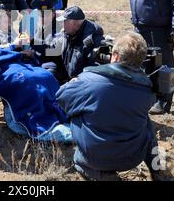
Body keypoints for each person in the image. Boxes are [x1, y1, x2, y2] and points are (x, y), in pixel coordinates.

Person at [56, 32, 161, 181]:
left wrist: (75, 82)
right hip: (133, 157)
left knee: (79, 113)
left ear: (116, 56)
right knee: (147, 123)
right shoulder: (148, 89)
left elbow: (62, 97)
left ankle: (104, 176)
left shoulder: (89, 80)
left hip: (95, 159)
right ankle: (158, 168)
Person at [53, 6, 104, 82]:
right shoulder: (67, 34)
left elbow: (96, 67)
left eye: (64, 22)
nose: (62, 25)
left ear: (73, 23)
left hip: (82, 84)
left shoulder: (93, 40)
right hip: (67, 80)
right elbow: (53, 48)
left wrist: (80, 79)